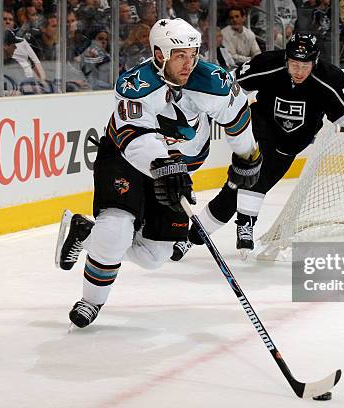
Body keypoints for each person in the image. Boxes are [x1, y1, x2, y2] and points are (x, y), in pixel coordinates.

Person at [55, 18, 261, 328]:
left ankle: (84, 233)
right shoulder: (135, 84)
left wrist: (248, 155)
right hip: (126, 159)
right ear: (159, 54)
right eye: (180, 55)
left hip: (175, 169)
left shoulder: (213, 82)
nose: (188, 63)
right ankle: (91, 300)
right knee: (117, 230)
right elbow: (136, 137)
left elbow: (236, 117)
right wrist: (164, 166)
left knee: (154, 256)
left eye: (193, 54)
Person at [170, 33, 344, 261]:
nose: (299, 71)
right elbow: (228, 86)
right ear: (286, 59)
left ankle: (191, 237)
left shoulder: (330, 79)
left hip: (291, 146)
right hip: (261, 126)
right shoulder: (267, 64)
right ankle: (246, 221)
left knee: (232, 193)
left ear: (315, 61)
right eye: (294, 64)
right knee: (253, 169)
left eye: (305, 65)